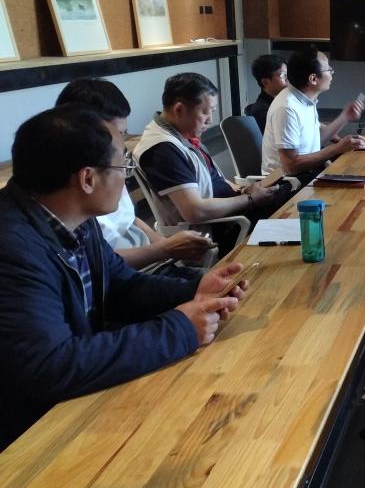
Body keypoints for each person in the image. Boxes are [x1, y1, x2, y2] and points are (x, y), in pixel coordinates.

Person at [0, 105, 249, 450]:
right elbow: (50, 367)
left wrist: (195, 290)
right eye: (123, 167)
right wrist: (180, 329)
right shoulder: (13, 247)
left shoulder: (74, 219)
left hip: (77, 393)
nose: (127, 177)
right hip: (31, 433)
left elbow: (120, 286)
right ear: (87, 179)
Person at [56, 78, 214, 273]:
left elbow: (130, 218)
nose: (121, 145)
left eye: (123, 134)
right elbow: (103, 264)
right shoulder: (73, 192)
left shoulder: (110, 167)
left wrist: (169, 248)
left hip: (152, 264)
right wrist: (165, 249)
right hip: (132, 274)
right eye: (117, 135)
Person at [134, 73, 280, 249]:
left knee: (284, 193)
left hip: (230, 214)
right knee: (285, 213)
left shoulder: (181, 135)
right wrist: (250, 199)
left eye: (213, 111)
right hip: (217, 230)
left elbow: (214, 178)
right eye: (205, 112)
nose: (210, 120)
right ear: (179, 110)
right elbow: (196, 211)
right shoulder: (163, 149)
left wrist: (243, 190)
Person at [262, 48, 365, 180]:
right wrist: (336, 149)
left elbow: (316, 139)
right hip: (287, 183)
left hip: (307, 174)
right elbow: (290, 165)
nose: (332, 74)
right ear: (313, 79)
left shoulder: (303, 98)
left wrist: (345, 116)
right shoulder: (287, 108)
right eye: (329, 70)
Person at [246, 54, 288, 132]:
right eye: (283, 76)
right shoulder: (263, 111)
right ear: (265, 82)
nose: (288, 79)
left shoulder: (284, 101)